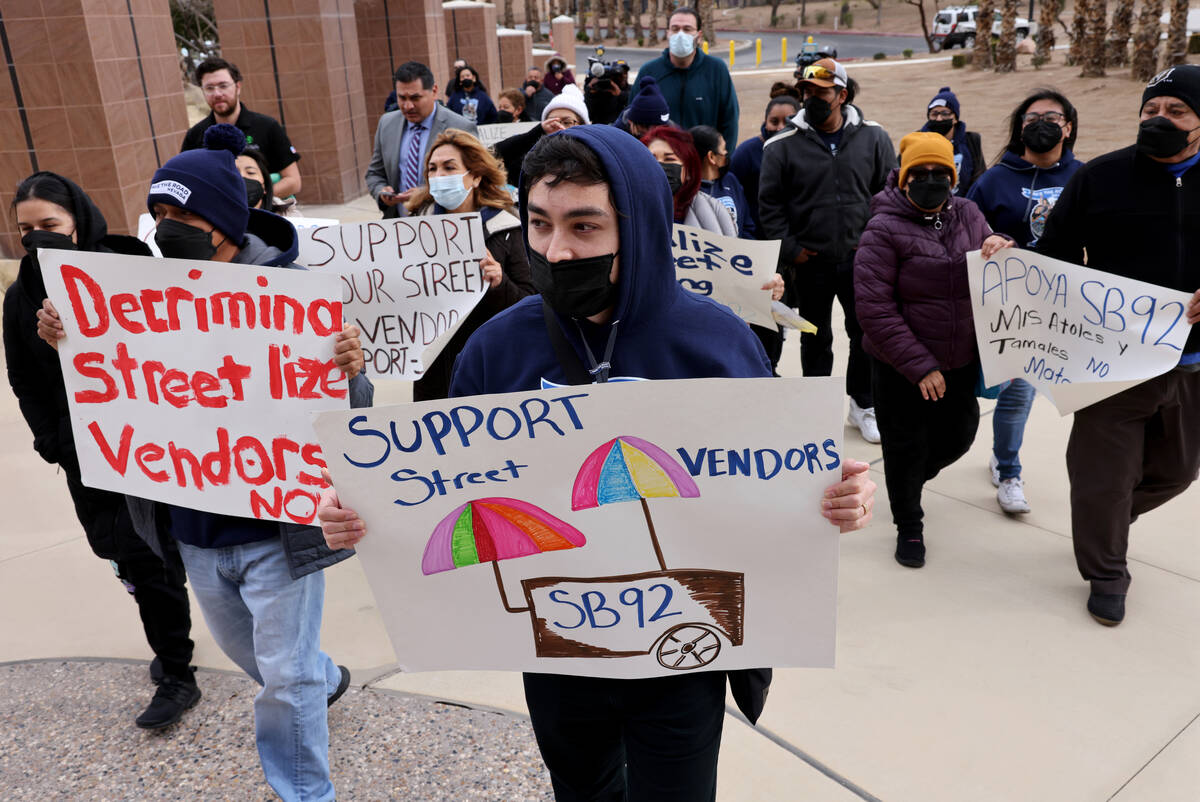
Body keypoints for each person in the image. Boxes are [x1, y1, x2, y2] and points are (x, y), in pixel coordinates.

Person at [316, 124, 876, 801]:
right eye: (540, 224)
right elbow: (436, 488)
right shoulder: (498, 350)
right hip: (558, 652)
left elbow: (776, 477)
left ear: (636, 227)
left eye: (585, 226)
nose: (557, 249)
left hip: (683, 654)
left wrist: (837, 498)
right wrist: (361, 514)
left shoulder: (715, 342)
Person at [37, 125, 373, 802]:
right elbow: (114, 387)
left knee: (283, 678)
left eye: (184, 215)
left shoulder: (293, 295)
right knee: (264, 663)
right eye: (160, 215)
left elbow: (347, 412)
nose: (169, 228)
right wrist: (65, 339)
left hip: (277, 532)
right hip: (193, 532)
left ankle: (304, 791)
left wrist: (351, 369)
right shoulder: (135, 295)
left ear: (223, 219)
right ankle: (322, 676)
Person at [3, 171, 198, 731]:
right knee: (125, 556)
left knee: (154, 553)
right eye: (26, 231)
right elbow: (23, 379)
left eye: (50, 227)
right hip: (83, 454)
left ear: (79, 220)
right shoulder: (22, 297)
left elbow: (170, 343)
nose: (38, 240)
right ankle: (170, 639)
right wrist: (55, 443)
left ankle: (179, 674)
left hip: (147, 443)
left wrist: (87, 332)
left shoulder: (125, 265)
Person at [1036, 65, 1200, 627]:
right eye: (1151, 111)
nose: (1160, 120)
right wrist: (1010, 255)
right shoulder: (1100, 178)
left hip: (1192, 365)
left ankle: (1102, 523)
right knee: (1101, 476)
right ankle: (1107, 571)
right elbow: (1053, 253)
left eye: (1176, 111)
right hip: (1111, 363)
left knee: (1178, 472)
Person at [855, 133, 1013, 568]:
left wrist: (1003, 246)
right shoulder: (882, 228)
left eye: (940, 173)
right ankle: (909, 524)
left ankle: (909, 480)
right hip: (899, 367)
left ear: (953, 177)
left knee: (959, 435)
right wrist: (919, 366)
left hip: (959, 359)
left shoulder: (968, 213)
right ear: (903, 178)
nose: (930, 180)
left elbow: (992, 266)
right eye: (919, 174)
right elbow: (873, 307)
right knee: (904, 445)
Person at [759, 58, 897, 444]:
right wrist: (793, 250)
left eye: (821, 92)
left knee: (864, 335)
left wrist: (875, 246)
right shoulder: (781, 146)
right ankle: (816, 409)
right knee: (814, 337)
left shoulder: (873, 137)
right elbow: (770, 206)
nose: (811, 98)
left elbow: (887, 196)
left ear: (842, 95)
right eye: (806, 92)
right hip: (811, 263)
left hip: (861, 261)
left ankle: (863, 403)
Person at [967, 89, 1082, 515]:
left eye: (1052, 116)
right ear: (1020, 127)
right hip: (1002, 309)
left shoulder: (1086, 177)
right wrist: (990, 241)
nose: (1042, 123)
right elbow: (966, 231)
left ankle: (1008, 468)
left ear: (1068, 127)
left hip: (1059, 311)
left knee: (1020, 393)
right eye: (1032, 117)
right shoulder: (993, 180)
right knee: (991, 389)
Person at [404, 130, 535, 399]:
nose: (439, 176)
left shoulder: (507, 229)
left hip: (490, 368)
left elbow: (530, 303)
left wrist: (499, 282)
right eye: (433, 169)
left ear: (475, 176)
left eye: (449, 168)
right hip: (432, 370)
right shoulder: (413, 230)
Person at [365, 61, 478, 218]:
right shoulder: (386, 124)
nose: (408, 105)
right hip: (397, 226)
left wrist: (426, 194)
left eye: (415, 98)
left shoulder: (460, 127)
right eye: (401, 98)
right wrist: (381, 192)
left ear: (434, 91)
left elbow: (476, 177)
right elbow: (374, 173)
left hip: (445, 224)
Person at [181, 57, 302, 199]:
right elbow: (186, 182)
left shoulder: (267, 127)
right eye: (209, 88)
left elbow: (293, 181)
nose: (217, 94)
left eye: (223, 85)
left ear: (238, 87)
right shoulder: (195, 135)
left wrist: (256, 198)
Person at [628, 7, 739, 151]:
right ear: (667, 33)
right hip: (658, 165)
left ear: (698, 35)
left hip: (703, 166)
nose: (680, 34)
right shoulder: (649, 72)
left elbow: (729, 122)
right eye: (675, 29)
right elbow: (632, 121)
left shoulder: (717, 70)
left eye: (687, 29)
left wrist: (722, 163)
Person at [642, 125, 734, 236]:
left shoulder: (716, 211)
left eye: (669, 159)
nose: (659, 166)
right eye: (651, 159)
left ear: (688, 171)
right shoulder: (628, 210)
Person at [729, 94, 800, 238]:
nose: (781, 127)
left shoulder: (810, 149)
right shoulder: (746, 152)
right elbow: (732, 194)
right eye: (774, 121)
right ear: (765, 122)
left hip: (800, 240)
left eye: (788, 121)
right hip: (759, 237)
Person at [493, 84, 589, 189]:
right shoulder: (533, 158)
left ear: (582, 124)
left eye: (567, 122)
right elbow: (493, 154)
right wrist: (537, 132)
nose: (559, 127)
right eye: (552, 122)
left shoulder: (589, 158)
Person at [919, 87, 985, 196]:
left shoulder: (972, 140)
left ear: (955, 117)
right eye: (934, 114)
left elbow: (980, 176)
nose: (939, 118)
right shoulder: (917, 140)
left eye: (945, 113)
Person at [691, 124, 754, 239]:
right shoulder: (686, 189)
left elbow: (747, 225)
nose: (726, 153)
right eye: (724, 149)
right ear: (711, 157)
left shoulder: (731, 181)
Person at [614, 75, 672, 140]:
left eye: (658, 126)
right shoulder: (615, 138)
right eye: (647, 126)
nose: (652, 132)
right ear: (631, 122)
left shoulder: (673, 134)